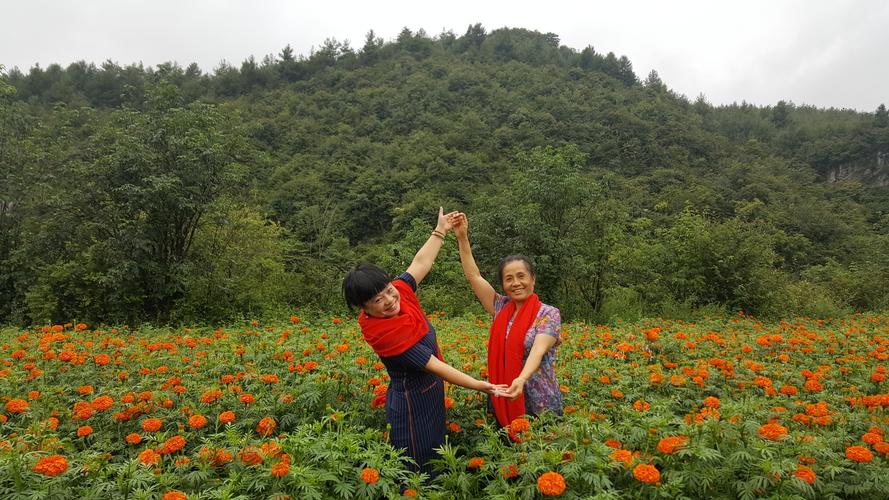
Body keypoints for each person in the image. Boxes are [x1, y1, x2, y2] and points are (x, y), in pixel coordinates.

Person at [342, 208, 505, 478]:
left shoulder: (399, 292)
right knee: (416, 464)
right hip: (410, 404)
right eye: (377, 301)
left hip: (430, 393)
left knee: (437, 452)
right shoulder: (386, 334)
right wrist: (481, 386)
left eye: (388, 291)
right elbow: (435, 366)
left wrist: (440, 230)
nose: (389, 300)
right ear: (364, 308)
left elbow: (420, 263)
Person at [452, 213, 562, 429]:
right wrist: (462, 238)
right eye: (509, 278)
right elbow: (474, 276)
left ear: (533, 279)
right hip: (503, 394)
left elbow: (537, 352)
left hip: (540, 401)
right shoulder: (500, 307)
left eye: (521, 276)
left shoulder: (548, 313)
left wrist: (520, 379)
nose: (516, 283)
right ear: (503, 283)